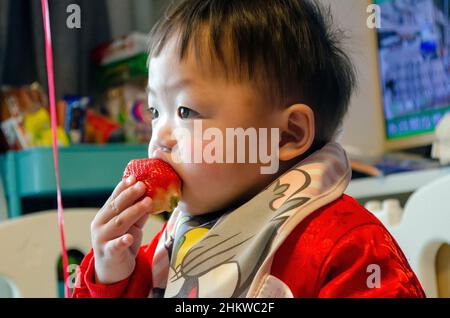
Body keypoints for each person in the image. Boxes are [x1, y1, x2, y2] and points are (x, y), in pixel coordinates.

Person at [73, 0, 425, 298]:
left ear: (286, 135)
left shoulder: (347, 248)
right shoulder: (167, 248)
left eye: (186, 111)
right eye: (154, 111)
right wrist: (113, 275)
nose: (160, 136)